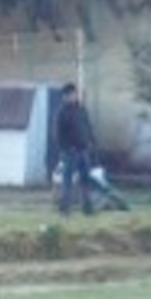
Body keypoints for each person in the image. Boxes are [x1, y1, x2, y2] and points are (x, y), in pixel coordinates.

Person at [53, 82, 95, 216]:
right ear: (65, 96)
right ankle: (65, 210)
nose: (74, 96)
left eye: (75, 94)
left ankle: (87, 208)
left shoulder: (81, 110)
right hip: (70, 152)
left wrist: (91, 142)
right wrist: (66, 148)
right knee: (68, 181)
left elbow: (88, 127)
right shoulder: (61, 113)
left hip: (83, 150)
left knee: (85, 180)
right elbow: (58, 134)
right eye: (71, 94)